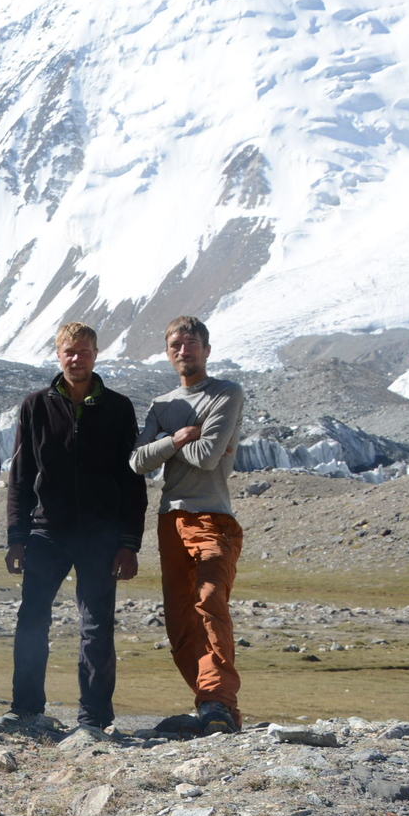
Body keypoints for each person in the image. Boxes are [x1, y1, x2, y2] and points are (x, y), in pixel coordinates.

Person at [1, 322, 144, 738]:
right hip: (46, 532)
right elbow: (21, 476)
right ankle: (26, 709)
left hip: (101, 536)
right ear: (57, 354)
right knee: (32, 620)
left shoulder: (118, 409)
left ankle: (94, 718)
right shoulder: (36, 406)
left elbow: (132, 481)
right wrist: (16, 536)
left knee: (97, 625)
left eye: (83, 351)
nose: (76, 358)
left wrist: (129, 542)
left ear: (96, 354)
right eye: (68, 351)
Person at [131, 315, 246, 736]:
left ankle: (218, 700)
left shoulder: (226, 394)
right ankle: (210, 704)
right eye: (176, 344)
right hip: (170, 519)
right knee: (180, 619)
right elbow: (138, 462)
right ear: (168, 352)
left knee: (211, 601)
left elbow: (209, 456)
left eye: (192, 343)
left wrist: (168, 446)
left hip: (213, 515)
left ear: (207, 350)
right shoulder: (161, 405)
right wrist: (177, 439)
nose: (185, 350)